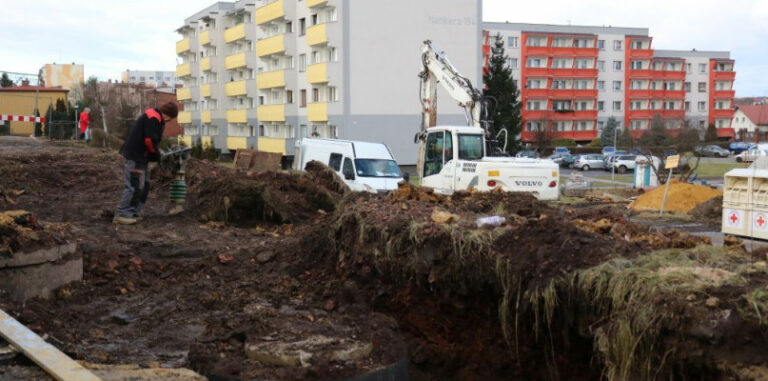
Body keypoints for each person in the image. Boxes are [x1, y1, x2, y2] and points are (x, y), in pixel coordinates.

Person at [113, 102, 178, 225]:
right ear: (168, 115)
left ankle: (133, 212)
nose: (169, 121)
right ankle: (122, 214)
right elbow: (149, 140)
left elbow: (151, 140)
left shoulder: (156, 118)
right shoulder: (153, 118)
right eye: (170, 118)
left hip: (141, 158)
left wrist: (154, 154)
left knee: (145, 186)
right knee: (135, 186)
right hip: (135, 156)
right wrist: (156, 154)